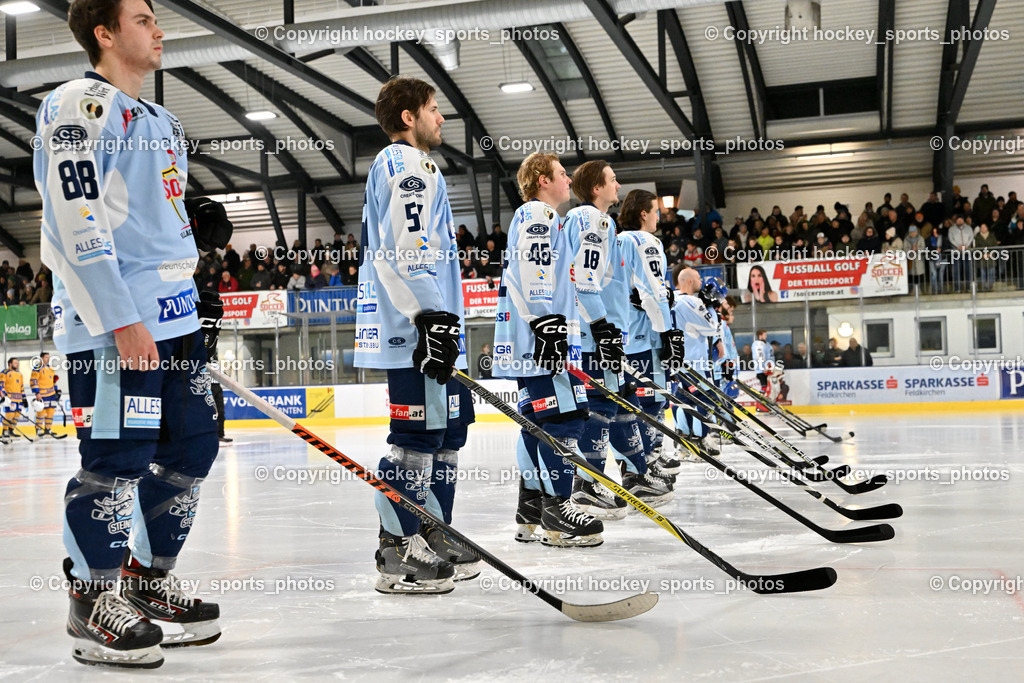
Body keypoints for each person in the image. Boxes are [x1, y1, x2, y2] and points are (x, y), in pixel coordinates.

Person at [33, 0, 231, 668]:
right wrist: (118, 313)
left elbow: (155, 216)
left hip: (174, 322)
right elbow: (74, 213)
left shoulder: (163, 121)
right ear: (105, 32)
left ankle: (146, 581)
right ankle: (92, 599)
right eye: (144, 18)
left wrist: (194, 281)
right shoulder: (77, 106)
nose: (159, 29)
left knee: (192, 447)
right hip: (117, 322)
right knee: (115, 460)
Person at [353, 76, 477, 595]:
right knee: (416, 439)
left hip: (432, 323)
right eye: (433, 108)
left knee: (447, 434)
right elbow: (404, 250)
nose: (441, 118)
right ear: (409, 117)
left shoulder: (416, 166)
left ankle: (432, 529)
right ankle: (397, 547)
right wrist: (430, 317)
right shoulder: (406, 164)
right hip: (415, 329)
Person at [492, 152, 602, 547]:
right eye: (560, 174)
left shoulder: (534, 216)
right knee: (561, 420)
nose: (568, 180)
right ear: (541, 179)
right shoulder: (540, 215)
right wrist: (547, 324)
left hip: (537, 338)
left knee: (539, 424)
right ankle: (558, 509)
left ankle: (533, 505)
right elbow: (531, 270)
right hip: (543, 339)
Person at [564, 162, 672, 514]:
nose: (618, 184)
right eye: (612, 180)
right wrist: (601, 326)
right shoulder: (596, 220)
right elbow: (584, 279)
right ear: (597, 188)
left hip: (603, 333)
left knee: (620, 402)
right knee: (603, 406)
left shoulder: (590, 222)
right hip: (599, 335)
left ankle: (636, 473)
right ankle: (588, 482)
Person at [617, 189, 686, 487]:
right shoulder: (646, 241)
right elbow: (653, 292)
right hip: (647, 336)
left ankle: (640, 464)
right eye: (655, 210)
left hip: (623, 337)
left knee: (633, 406)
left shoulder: (616, 240)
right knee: (653, 403)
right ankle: (645, 466)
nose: (659, 216)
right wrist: (668, 332)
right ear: (643, 213)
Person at [670, 266, 724, 457]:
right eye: (698, 278)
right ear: (689, 281)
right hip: (696, 363)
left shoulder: (670, 299)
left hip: (677, 361)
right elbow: (710, 327)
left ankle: (683, 442)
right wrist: (711, 307)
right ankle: (701, 440)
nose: (701, 282)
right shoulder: (691, 301)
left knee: (681, 401)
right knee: (704, 399)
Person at [30, 352, 60, 437]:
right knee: (41, 412)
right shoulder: (37, 367)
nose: (48, 359)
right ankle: (38, 429)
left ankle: (48, 429)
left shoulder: (51, 368)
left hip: (51, 394)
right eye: (46, 357)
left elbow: (54, 380)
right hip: (42, 394)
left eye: (48, 357)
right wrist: (37, 392)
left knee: (51, 412)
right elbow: (33, 380)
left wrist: (57, 391)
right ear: (41, 358)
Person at [1, 358, 26, 444]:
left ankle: (11, 430)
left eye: (17, 363)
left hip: (18, 398)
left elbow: (21, 387)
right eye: (15, 363)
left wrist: (24, 398)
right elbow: (1, 385)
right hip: (10, 398)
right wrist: (3, 396)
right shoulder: (4, 373)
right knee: (10, 414)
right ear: (10, 364)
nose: (17, 364)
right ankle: (5, 431)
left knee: (17, 415)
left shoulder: (20, 374)